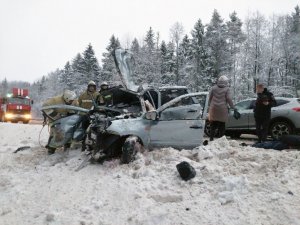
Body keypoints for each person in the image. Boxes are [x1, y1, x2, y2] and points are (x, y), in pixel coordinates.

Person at [42, 90, 78, 154]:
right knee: (56, 134)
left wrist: (72, 113)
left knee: (69, 133)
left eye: (72, 100)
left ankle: (67, 148)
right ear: (66, 99)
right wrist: (56, 115)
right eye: (70, 101)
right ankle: (51, 149)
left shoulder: (73, 100)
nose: (72, 102)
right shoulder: (55, 100)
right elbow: (45, 106)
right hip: (55, 120)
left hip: (67, 120)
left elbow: (77, 108)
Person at [208, 75, 235, 141]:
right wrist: (232, 107)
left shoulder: (213, 88)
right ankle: (221, 140)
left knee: (213, 124)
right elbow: (228, 98)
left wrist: (210, 105)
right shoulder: (227, 89)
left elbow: (210, 97)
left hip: (214, 109)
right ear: (226, 82)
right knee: (222, 125)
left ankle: (211, 138)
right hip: (222, 109)